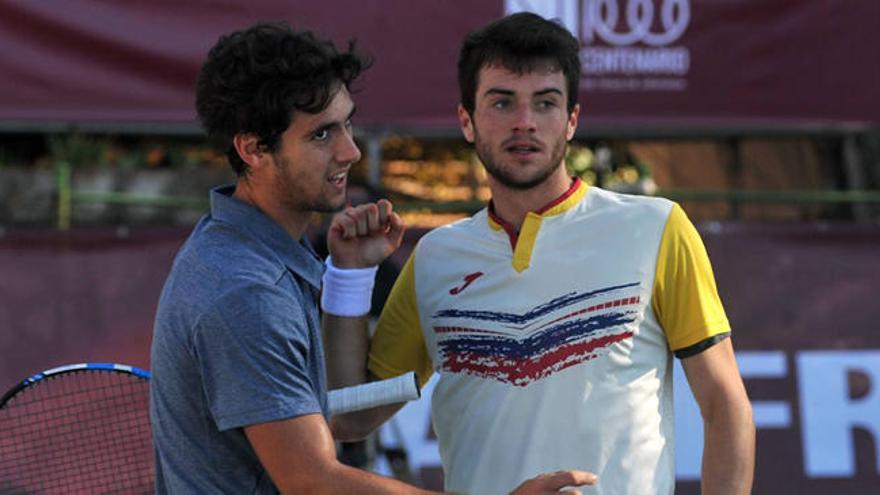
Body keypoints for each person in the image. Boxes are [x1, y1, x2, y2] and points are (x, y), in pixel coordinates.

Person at [150, 21, 595, 494]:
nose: (350, 150)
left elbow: (342, 411)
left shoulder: (259, 251)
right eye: (321, 135)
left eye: (346, 123)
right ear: (253, 149)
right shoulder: (244, 290)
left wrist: (348, 276)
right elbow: (313, 480)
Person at [324, 13, 755, 495]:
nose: (525, 123)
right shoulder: (435, 259)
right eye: (502, 102)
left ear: (572, 120)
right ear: (466, 121)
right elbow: (350, 416)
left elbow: (726, 406)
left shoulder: (655, 228)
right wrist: (350, 276)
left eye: (545, 103)